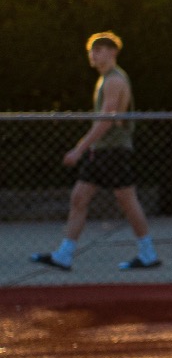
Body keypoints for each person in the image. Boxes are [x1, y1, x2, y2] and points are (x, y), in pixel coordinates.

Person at [31, 32, 160, 272]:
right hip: (101, 151)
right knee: (80, 198)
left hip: (112, 151)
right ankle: (65, 254)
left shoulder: (114, 80)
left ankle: (148, 252)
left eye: (99, 50)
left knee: (126, 200)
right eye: (92, 50)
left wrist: (79, 149)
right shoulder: (105, 80)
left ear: (112, 52)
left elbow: (106, 120)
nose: (94, 55)